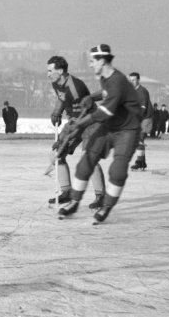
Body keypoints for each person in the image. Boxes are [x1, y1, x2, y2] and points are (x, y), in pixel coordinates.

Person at [58, 44, 142, 224]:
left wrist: (80, 123)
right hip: (110, 127)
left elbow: (104, 112)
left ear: (102, 61)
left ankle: (107, 205)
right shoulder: (105, 77)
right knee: (86, 161)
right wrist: (92, 98)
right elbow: (105, 92)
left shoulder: (118, 80)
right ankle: (74, 202)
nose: (90, 65)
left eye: (92, 61)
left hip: (127, 130)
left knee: (117, 169)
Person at [47, 55, 106, 208]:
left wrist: (64, 138)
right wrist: (57, 112)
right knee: (57, 155)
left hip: (90, 121)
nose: (48, 74)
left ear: (60, 71)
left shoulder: (75, 88)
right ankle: (67, 192)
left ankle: (101, 196)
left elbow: (80, 118)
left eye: (50, 71)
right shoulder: (56, 82)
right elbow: (61, 97)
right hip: (75, 120)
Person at [128, 72, 153, 171]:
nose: (132, 82)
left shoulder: (142, 91)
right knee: (139, 141)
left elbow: (142, 109)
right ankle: (142, 163)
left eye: (134, 80)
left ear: (138, 80)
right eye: (130, 80)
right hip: (139, 118)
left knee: (139, 140)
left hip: (146, 118)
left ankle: (139, 163)